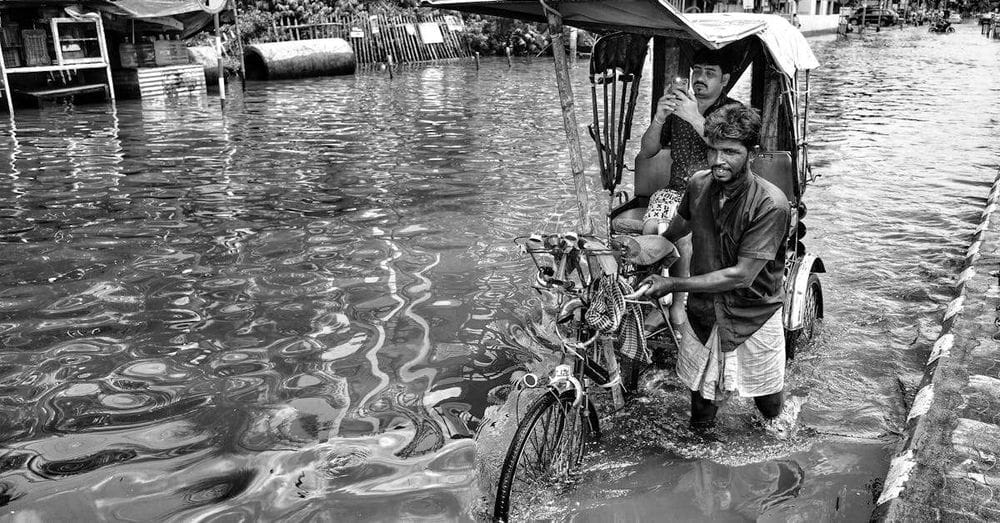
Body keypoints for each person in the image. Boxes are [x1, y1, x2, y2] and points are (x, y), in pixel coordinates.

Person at [639, 103, 793, 434]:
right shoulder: (697, 184)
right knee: (700, 409)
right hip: (703, 311)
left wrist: (673, 285)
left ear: (751, 153)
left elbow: (741, 275)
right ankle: (700, 470)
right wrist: (647, 254)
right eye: (712, 150)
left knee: (769, 406)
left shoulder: (771, 204)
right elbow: (679, 228)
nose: (718, 160)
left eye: (730, 152)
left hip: (752, 312)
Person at [634, 48, 742, 325]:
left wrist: (695, 116)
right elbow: (646, 152)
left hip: (716, 192)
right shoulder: (677, 111)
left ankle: (678, 304)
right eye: (697, 72)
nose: (700, 79)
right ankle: (651, 298)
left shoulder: (733, 112)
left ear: (725, 79)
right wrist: (659, 117)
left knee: (683, 234)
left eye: (710, 73)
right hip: (673, 191)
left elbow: (729, 150)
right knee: (650, 230)